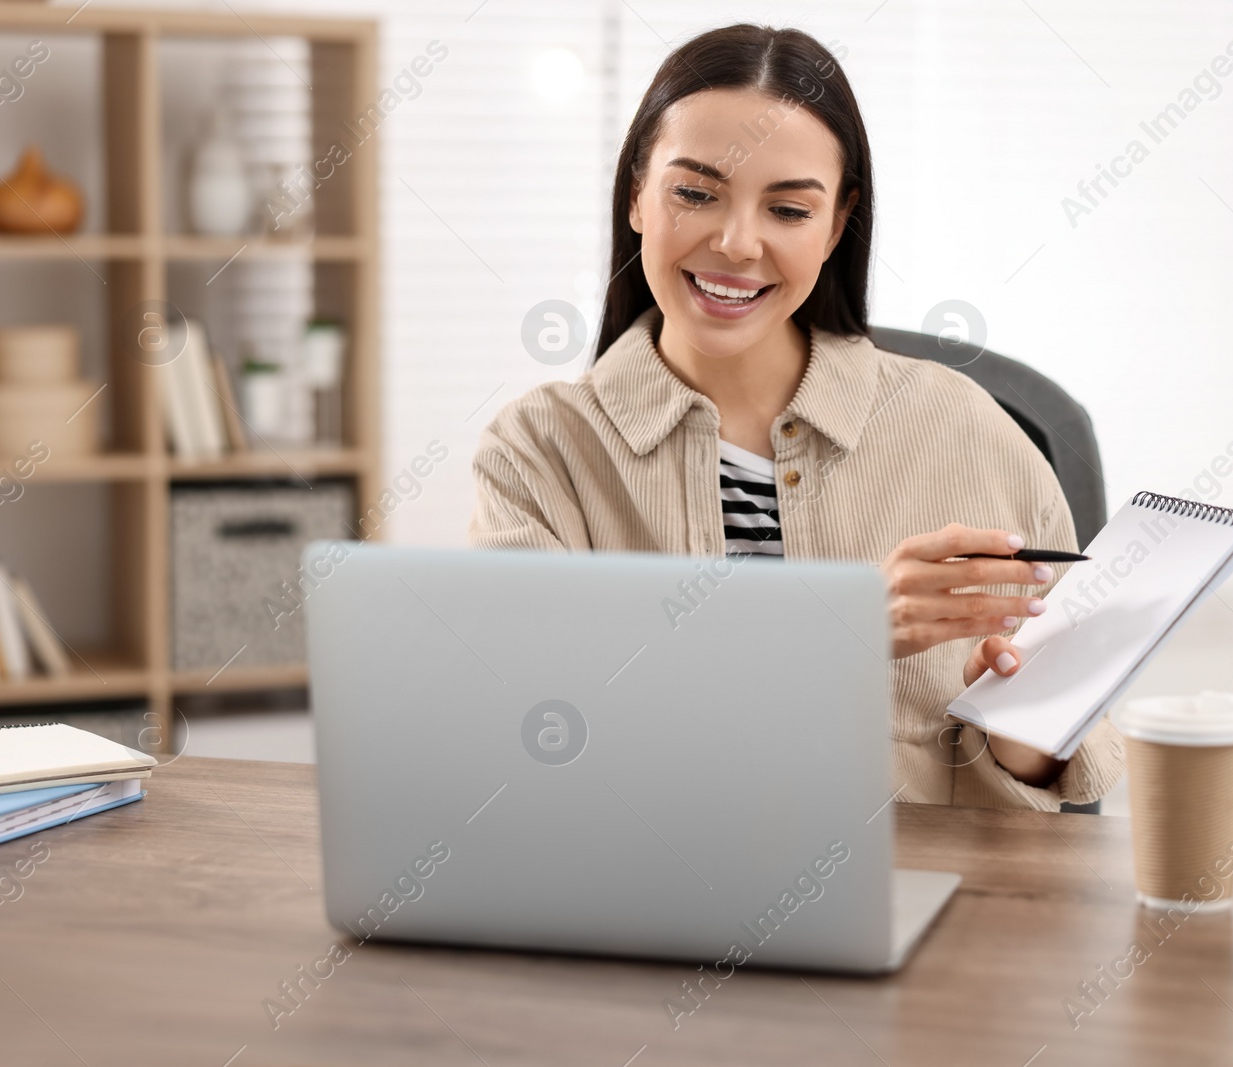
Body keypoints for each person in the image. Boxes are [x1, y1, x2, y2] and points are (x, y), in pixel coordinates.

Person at [470, 23, 1123, 811]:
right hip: (645, 897)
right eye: (695, 193)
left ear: (837, 223)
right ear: (638, 193)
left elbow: (1057, 770)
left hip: (925, 902)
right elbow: (539, 745)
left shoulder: (972, 431)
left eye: (787, 209)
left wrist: (1022, 730)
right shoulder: (539, 452)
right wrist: (836, 634)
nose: (737, 243)